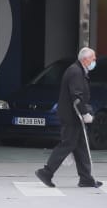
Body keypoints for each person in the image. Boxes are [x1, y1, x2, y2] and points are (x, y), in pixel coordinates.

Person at [36, 47, 101, 189]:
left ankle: (86, 178)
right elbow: (76, 97)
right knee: (67, 144)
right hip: (71, 116)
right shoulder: (76, 72)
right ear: (85, 59)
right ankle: (46, 172)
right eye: (93, 59)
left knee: (81, 147)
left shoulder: (80, 70)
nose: (94, 61)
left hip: (73, 116)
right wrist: (85, 113)